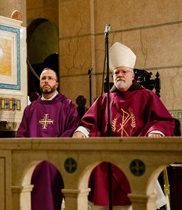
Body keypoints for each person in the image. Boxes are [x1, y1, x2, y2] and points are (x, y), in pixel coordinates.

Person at [73, 42, 175, 210]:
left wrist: (155, 132)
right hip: (108, 154)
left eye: (124, 72)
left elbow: (163, 120)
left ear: (132, 75)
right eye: (116, 72)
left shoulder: (147, 96)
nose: (120, 75)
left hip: (137, 151)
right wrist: (81, 132)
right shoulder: (104, 99)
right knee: (98, 166)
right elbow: (89, 123)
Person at [17, 67, 80, 210]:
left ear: (57, 83)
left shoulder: (67, 105)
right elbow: (22, 134)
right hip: (33, 157)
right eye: (43, 78)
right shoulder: (31, 108)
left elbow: (72, 130)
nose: (46, 81)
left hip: (56, 156)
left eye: (50, 78)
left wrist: (53, 147)